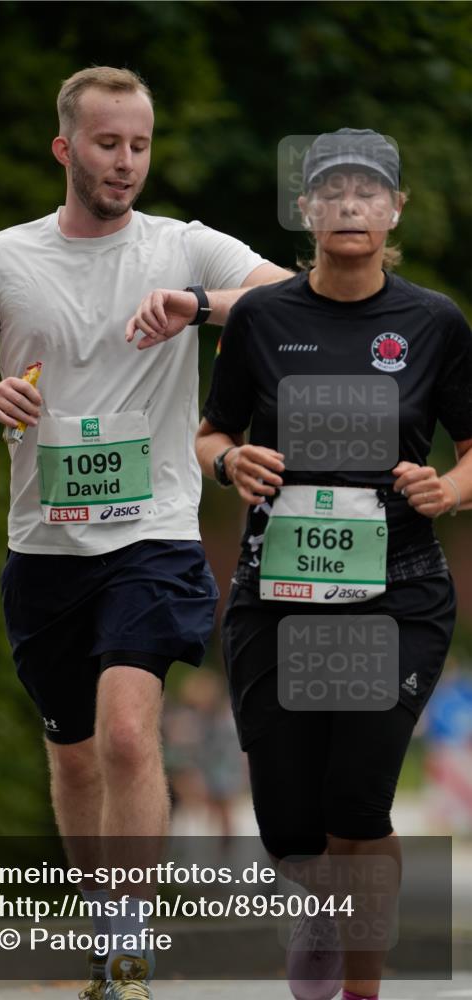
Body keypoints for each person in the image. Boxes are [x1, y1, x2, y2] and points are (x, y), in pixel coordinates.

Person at [0, 66, 290, 1000]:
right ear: (65, 148)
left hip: (152, 535)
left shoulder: (182, 245)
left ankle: (129, 946)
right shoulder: (4, 258)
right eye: (107, 143)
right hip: (43, 547)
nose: (125, 162)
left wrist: (197, 305)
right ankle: (102, 929)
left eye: (139, 145)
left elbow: (296, 300)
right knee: (75, 756)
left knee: (127, 735)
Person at [191, 130, 472, 1000]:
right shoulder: (260, 318)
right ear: (304, 211)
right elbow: (211, 432)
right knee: (289, 825)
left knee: (357, 801)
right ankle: (313, 902)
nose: (350, 205)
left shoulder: (433, 322)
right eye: (332, 192)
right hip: (276, 592)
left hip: (398, 592)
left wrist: (447, 488)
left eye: (368, 191)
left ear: (395, 210)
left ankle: (359, 990)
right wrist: (227, 462)